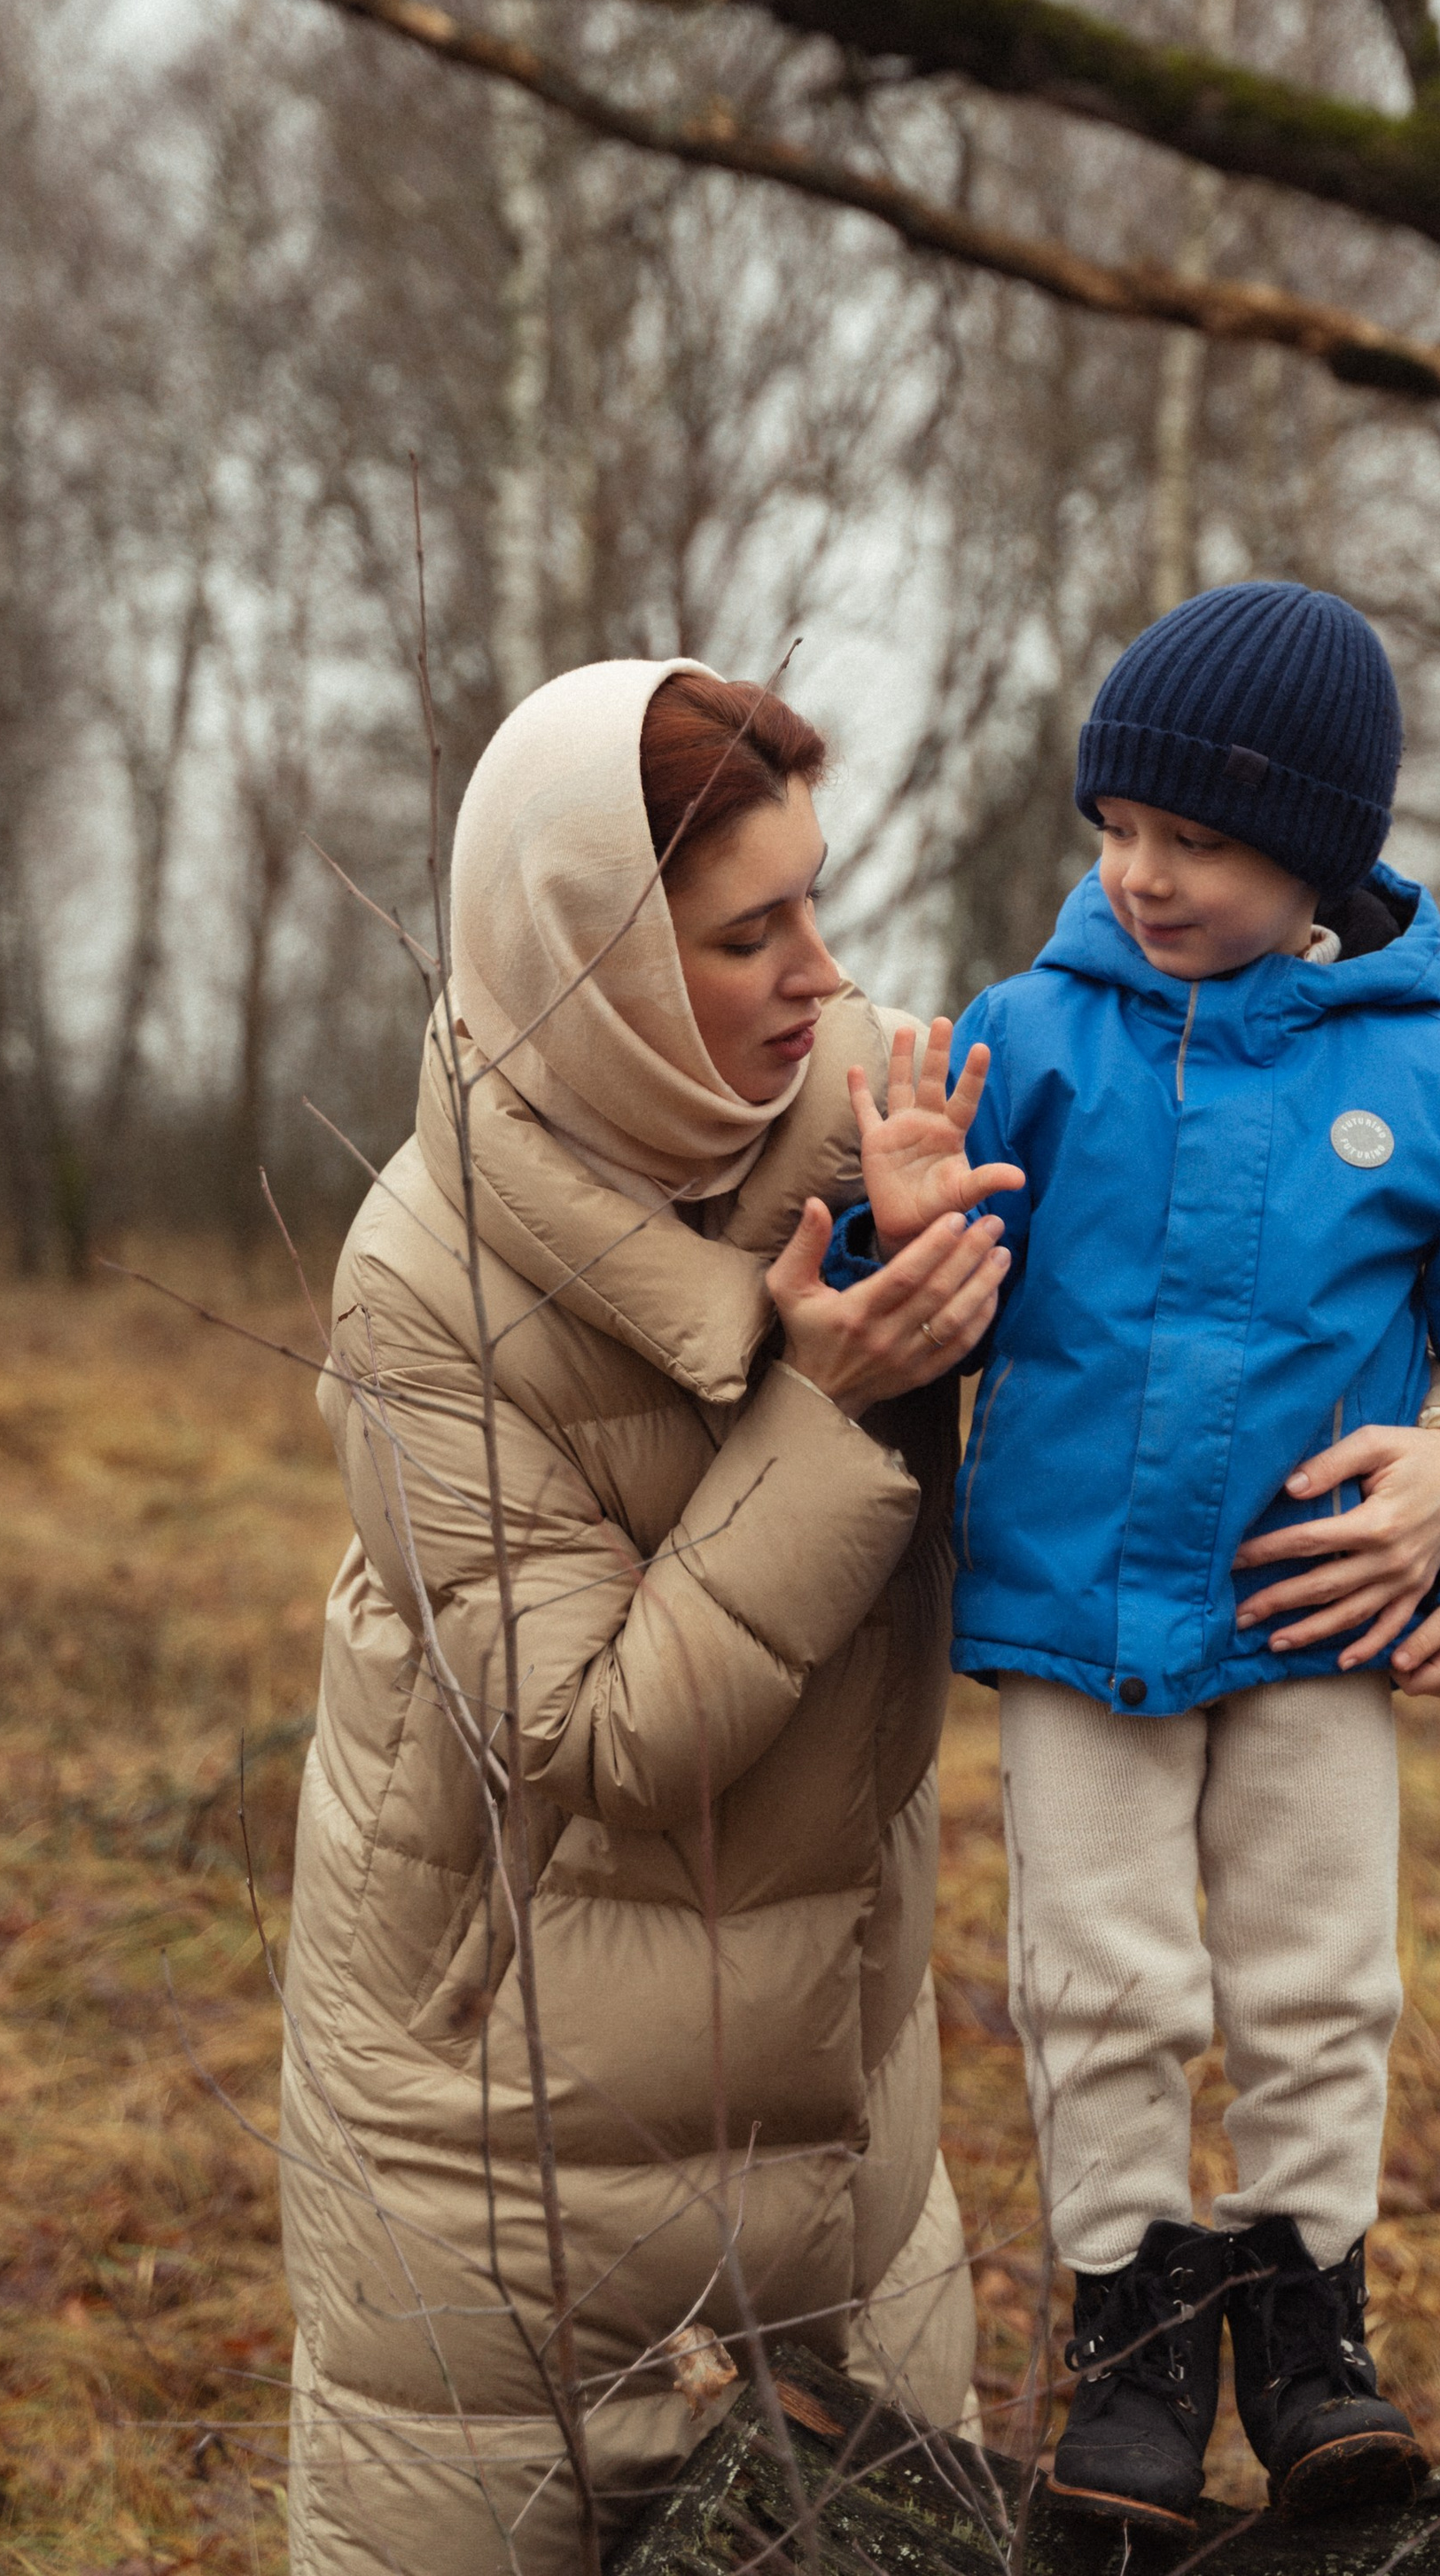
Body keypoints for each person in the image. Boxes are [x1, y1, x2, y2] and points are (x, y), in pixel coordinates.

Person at [840, 580, 1440, 2532]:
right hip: (1072, 1621)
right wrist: (887, 1227)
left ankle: (1306, 2327)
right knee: (1101, 1980)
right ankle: (1124, 2341)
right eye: (1118, 829)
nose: (1143, 872)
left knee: (1315, 1974)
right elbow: (902, 1303)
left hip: (1314, 1618)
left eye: (1193, 839)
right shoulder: (1028, 1038)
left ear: (1317, 855)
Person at [280, 660, 1011, 2576]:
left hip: (851, 2150)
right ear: (584, 955)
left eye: (817, 904)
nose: (815, 970)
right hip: (503, 2187)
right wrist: (833, 1408)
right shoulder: (420, 1282)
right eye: (743, 931)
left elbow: (1240, 1319)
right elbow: (600, 1734)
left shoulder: (884, 1114)